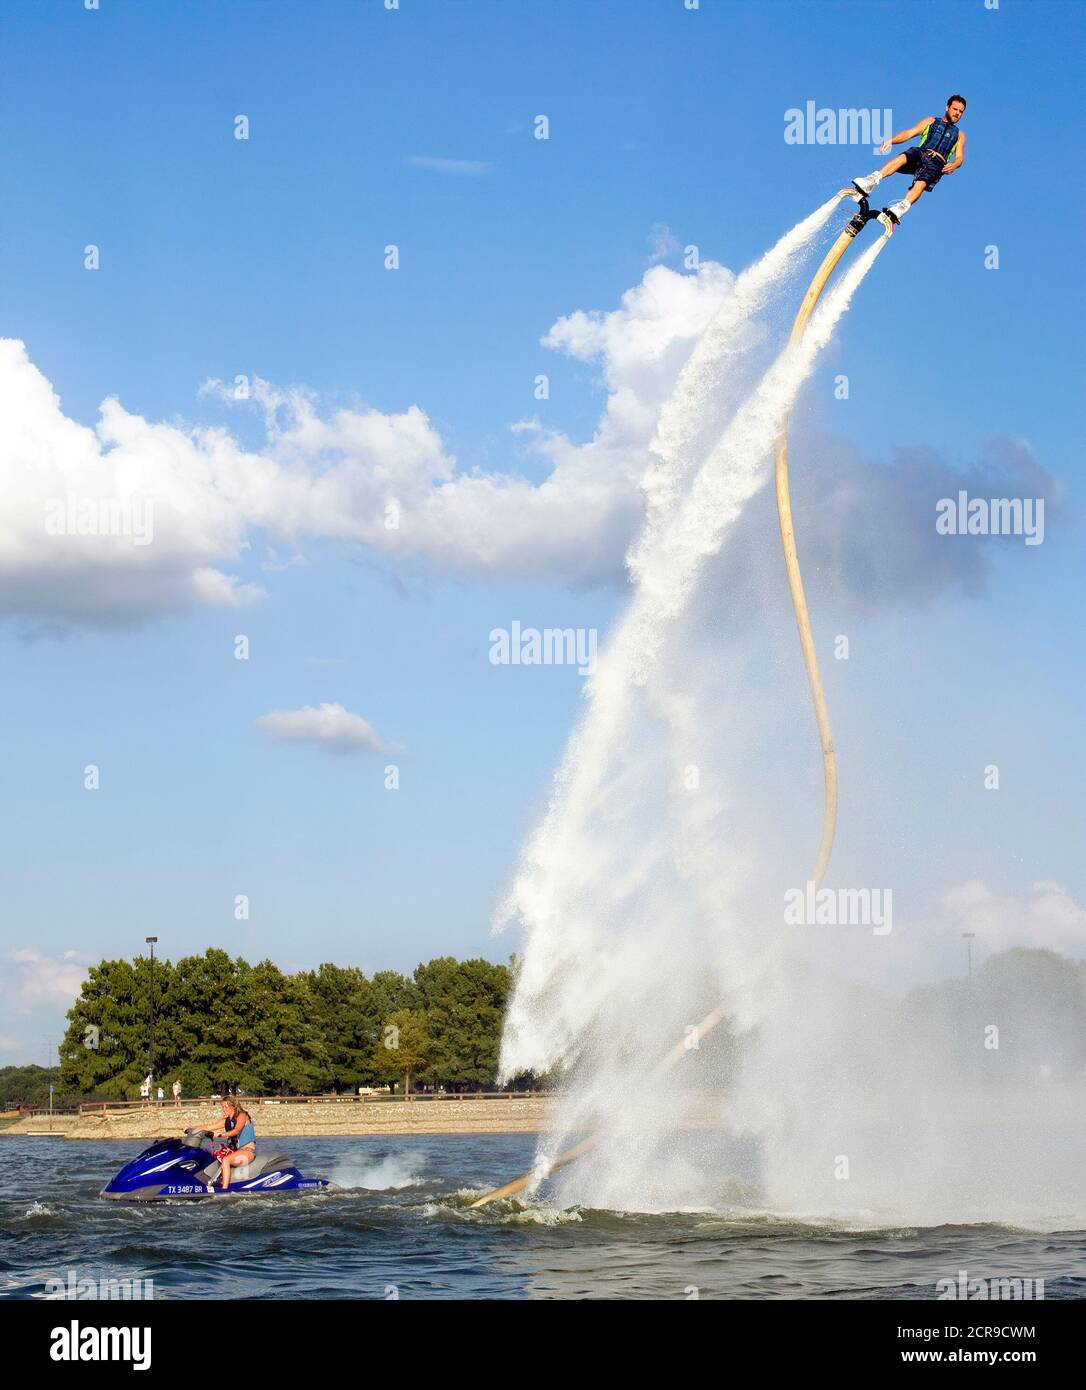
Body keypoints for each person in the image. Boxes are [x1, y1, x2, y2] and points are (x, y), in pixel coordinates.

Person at [847, 94, 967, 232]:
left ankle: (902, 206)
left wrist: (955, 165)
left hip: (937, 163)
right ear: (947, 107)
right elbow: (909, 133)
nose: (957, 113)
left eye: (961, 111)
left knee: (921, 183)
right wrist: (891, 140)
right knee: (904, 156)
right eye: (955, 109)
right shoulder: (931, 121)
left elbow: (960, 157)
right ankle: (873, 180)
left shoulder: (960, 135)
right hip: (922, 153)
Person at [196, 1097, 257, 1191]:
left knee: (226, 1160)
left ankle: (224, 1190)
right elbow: (209, 1127)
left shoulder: (242, 1115)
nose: (224, 1109)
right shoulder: (227, 1120)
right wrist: (191, 1128)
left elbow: (236, 1130)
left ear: (233, 1106)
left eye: (226, 1107)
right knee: (211, 1158)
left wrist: (221, 1134)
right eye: (222, 1107)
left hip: (247, 1151)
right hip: (235, 1152)